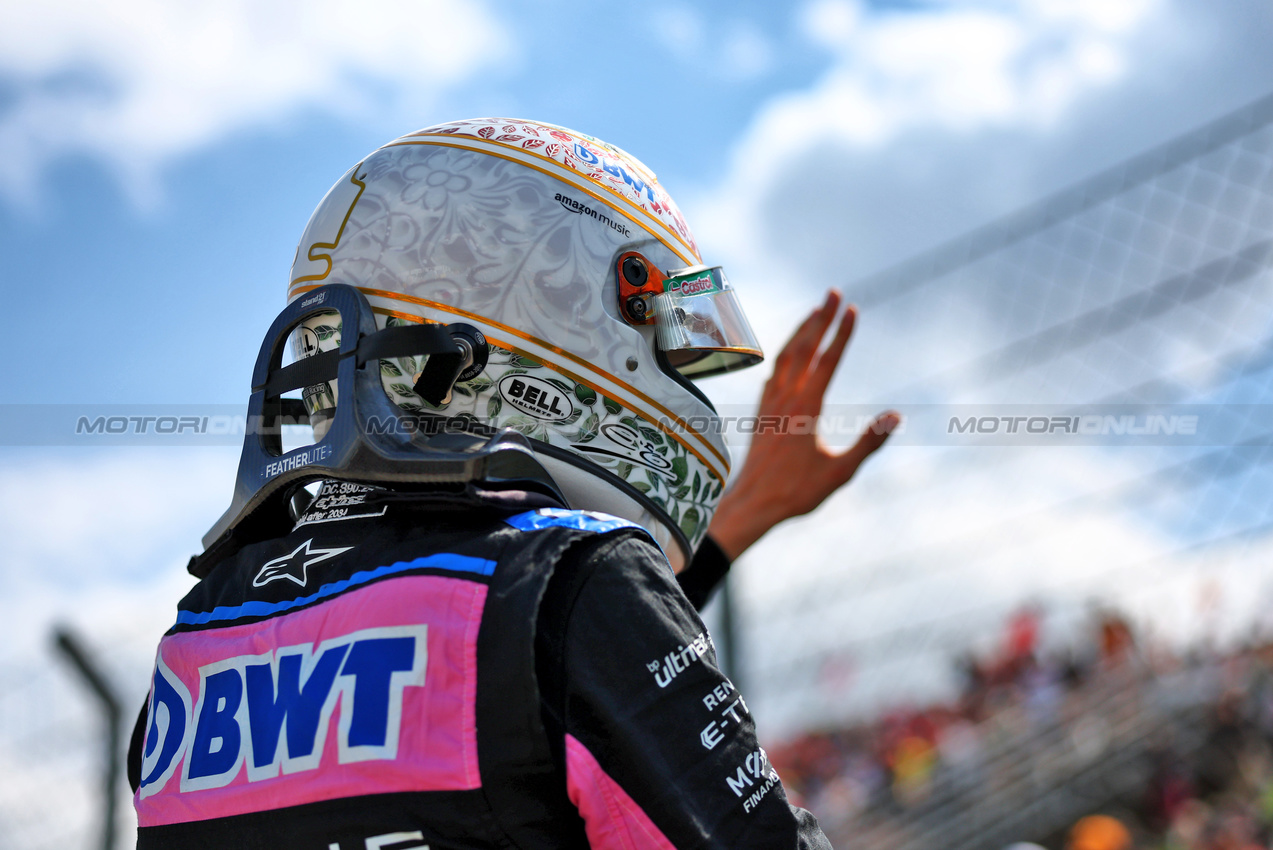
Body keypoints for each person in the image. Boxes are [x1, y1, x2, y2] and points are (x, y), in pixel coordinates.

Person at [126, 118, 897, 849]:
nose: (682, 371)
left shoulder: (202, 629)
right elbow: (550, 666)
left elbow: (508, 689)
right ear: (549, 306)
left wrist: (739, 520)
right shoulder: (571, 582)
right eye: (660, 324)